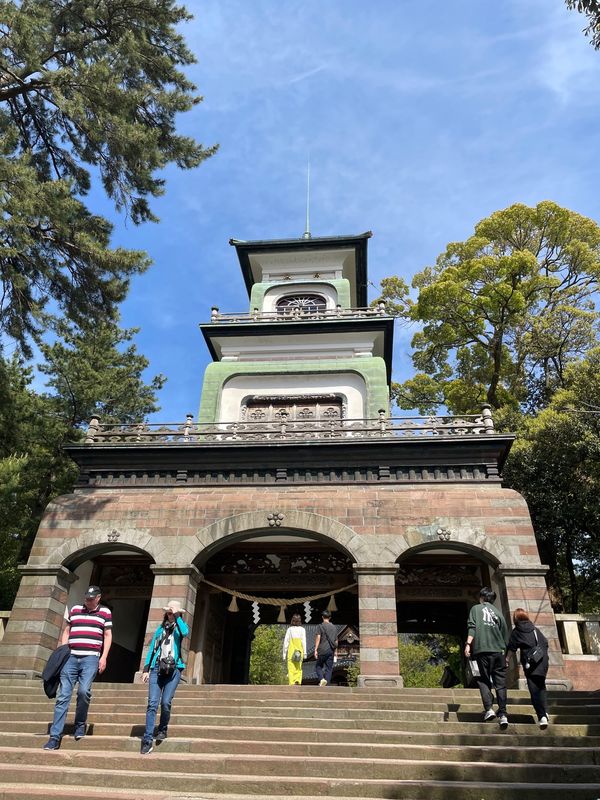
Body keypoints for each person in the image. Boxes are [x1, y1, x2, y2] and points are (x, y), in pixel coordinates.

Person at [43, 585, 112, 750]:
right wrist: (64, 650)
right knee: (63, 695)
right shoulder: (74, 609)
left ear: (98, 598)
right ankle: (54, 736)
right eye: (86, 598)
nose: (87, 601)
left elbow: (108, 635)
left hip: (91, 658)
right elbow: (67, 631)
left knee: (84, 691)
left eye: (91, 598)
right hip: (71, 658)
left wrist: (103, 657)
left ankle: (80, 723)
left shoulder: (105, 612)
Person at [140, 600, 189, 755]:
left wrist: (177, 616)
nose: (170, 615)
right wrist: (146, 669)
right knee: (152, 704)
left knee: (166, 702)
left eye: (173, 613)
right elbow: (151, 650)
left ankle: (162, 728)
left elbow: (185, 632)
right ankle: (147, 739)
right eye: (168, 613)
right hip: (156, 669)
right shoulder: (160, 630)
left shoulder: (179, 629)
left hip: (174, 670)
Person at [464, 586, 509, 729]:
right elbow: (504, 636)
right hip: (498, 652)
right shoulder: (499, 614)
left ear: (481, 597)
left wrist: (468, 644)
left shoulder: (476, 609)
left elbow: (472, 627)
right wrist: (505, 655)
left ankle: (489, 709)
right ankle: (503, 715)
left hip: (482, 651)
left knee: (483, 680)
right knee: (501, 684)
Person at [506, 608, 550, 729]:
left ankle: (541, 716)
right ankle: (545, 711)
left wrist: (507, 659)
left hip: (530, 664)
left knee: (534, 690)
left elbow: (512, 647)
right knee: (541, 687)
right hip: (542, 662)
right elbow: (545, 643)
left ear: (515, 619)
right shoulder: (535, 629)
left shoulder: (517, 631)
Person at [314, 608, 338, 687]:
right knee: (329, 668)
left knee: (318, 666)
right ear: (330, 617)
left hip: (322, 650)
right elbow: (336, 641)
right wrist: (336, 651)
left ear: (322, 617)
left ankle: (321, 679)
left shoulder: (320, 626)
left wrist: (315, 649)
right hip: (331, 650)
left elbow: (318, 638)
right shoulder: (334, 627)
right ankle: (326, 684)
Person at [283, 613, 307, 685]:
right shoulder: (302, 629)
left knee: (291, 668)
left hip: (291, 651)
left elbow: (286, 642)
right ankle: (298, 681)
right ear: (300, 620)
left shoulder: (289, 630)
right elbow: (304, 641)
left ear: (292, 620)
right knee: (298, 667)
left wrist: (284, 654)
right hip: (300, 651)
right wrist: (305, 652)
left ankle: (292, 682)